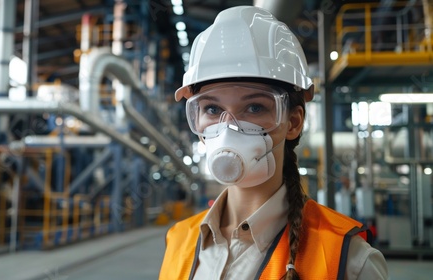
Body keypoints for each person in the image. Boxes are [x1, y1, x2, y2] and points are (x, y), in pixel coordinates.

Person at [159, 6, 388, 280]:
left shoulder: (348, 258)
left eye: (254, 108)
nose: (228, 127)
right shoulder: (179, 240)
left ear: (293, 122)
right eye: (211, 109)